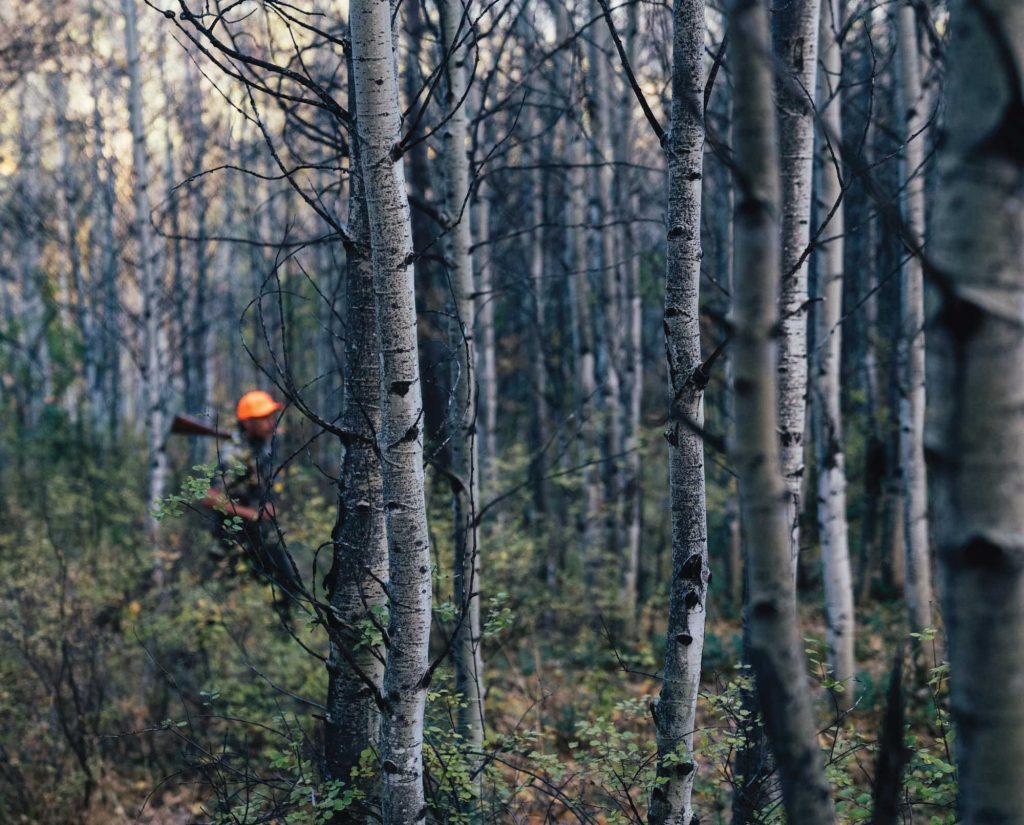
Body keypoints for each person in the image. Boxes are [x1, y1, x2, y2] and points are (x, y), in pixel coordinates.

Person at [202, 390, 300, 612]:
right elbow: (209, 497)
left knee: (285, 589)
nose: (270, 422)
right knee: (230, 605)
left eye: (270, 416)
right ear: (247, 423)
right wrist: (252, 514)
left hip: (258, 537)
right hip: (233, 540)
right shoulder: (234, 455)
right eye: (262, 418)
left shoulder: (261, 447)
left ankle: (277, 639)